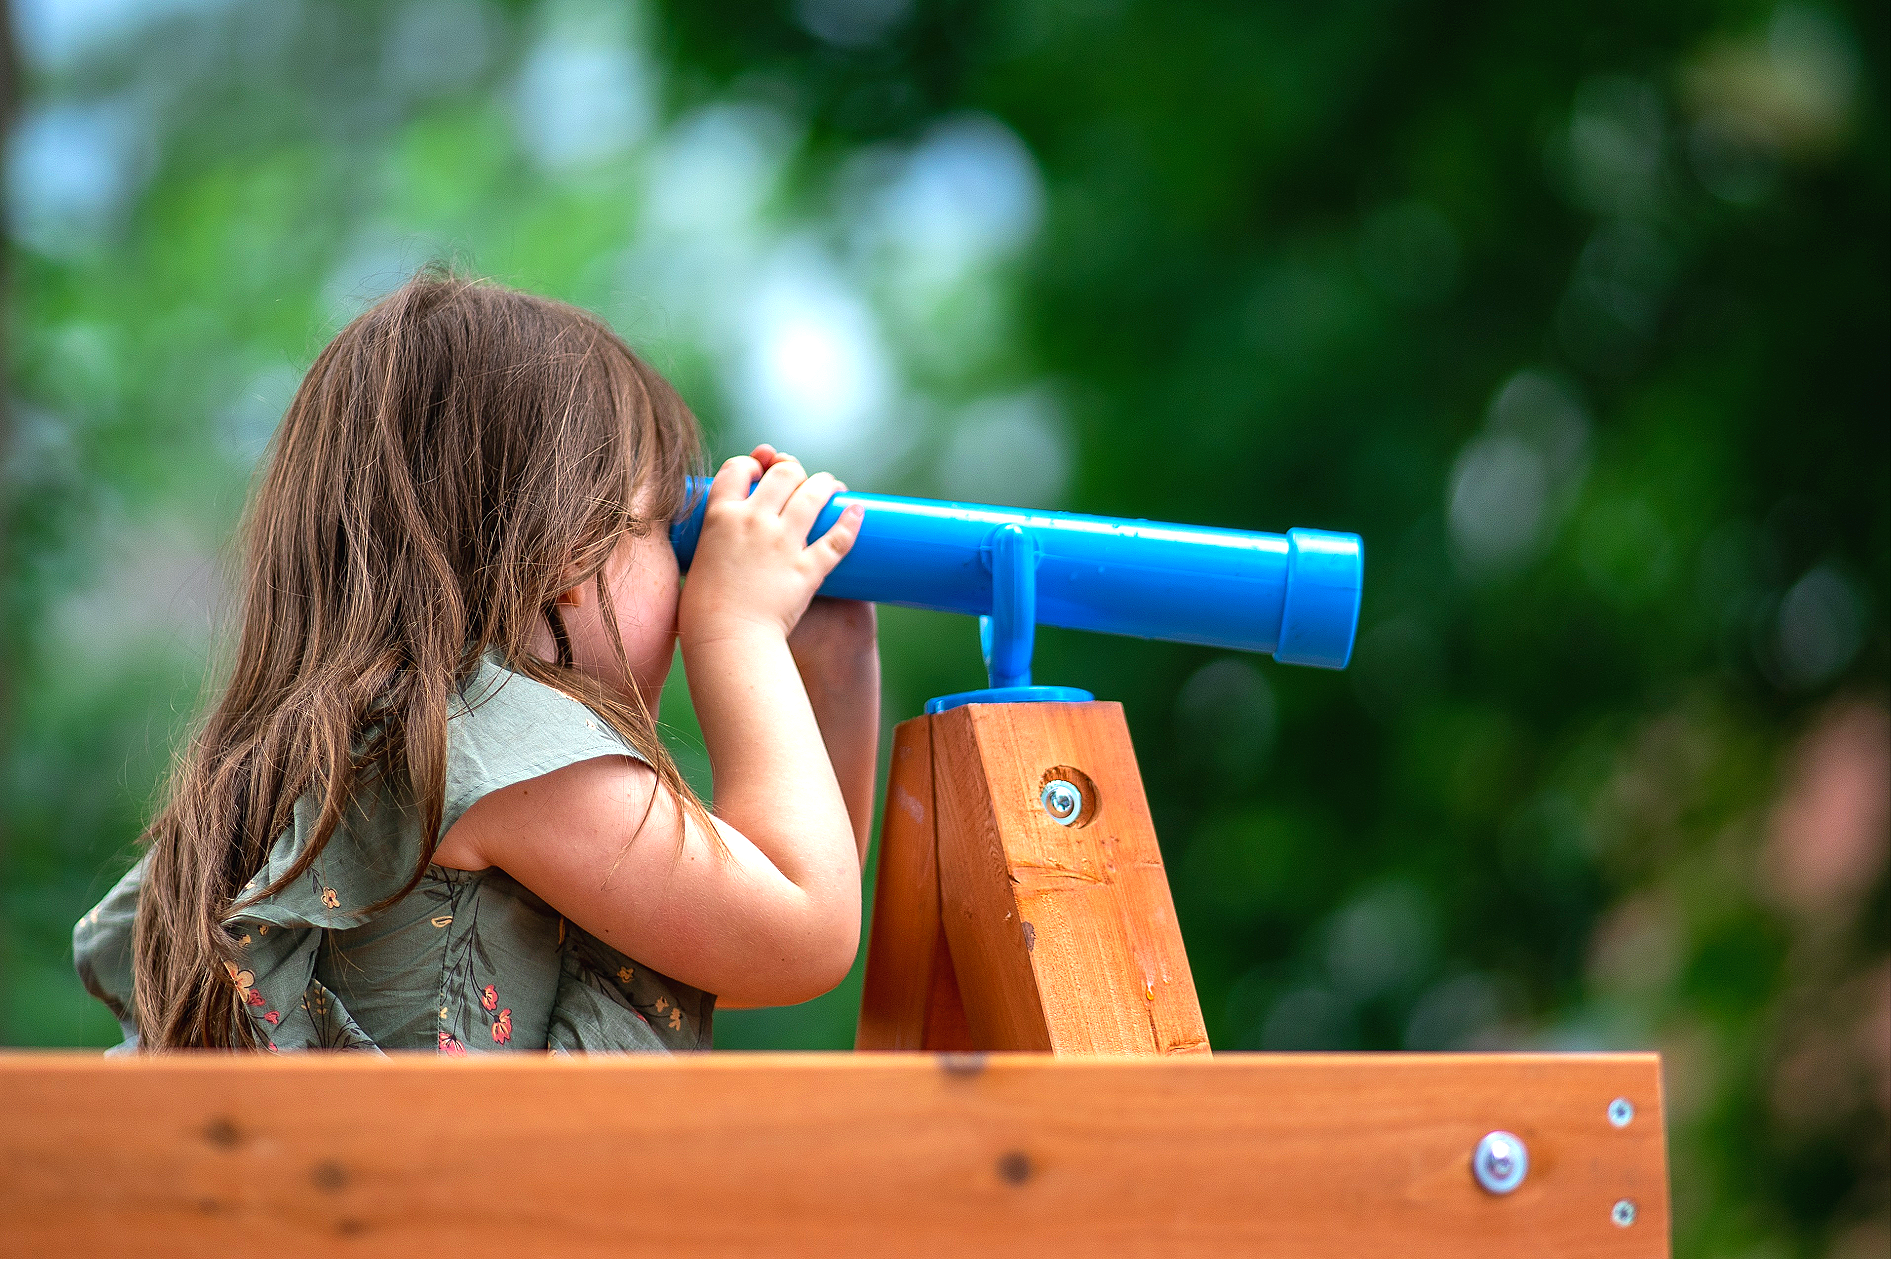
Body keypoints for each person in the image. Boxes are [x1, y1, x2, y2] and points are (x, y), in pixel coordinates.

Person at [72, 269, 881, 1053]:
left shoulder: (360, 746)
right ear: (572, 553)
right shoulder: (488, 741)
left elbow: (724, 942)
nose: (688, 575)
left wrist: (830, 662)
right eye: (665, 528)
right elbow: (797, 929)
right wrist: (739, 629)